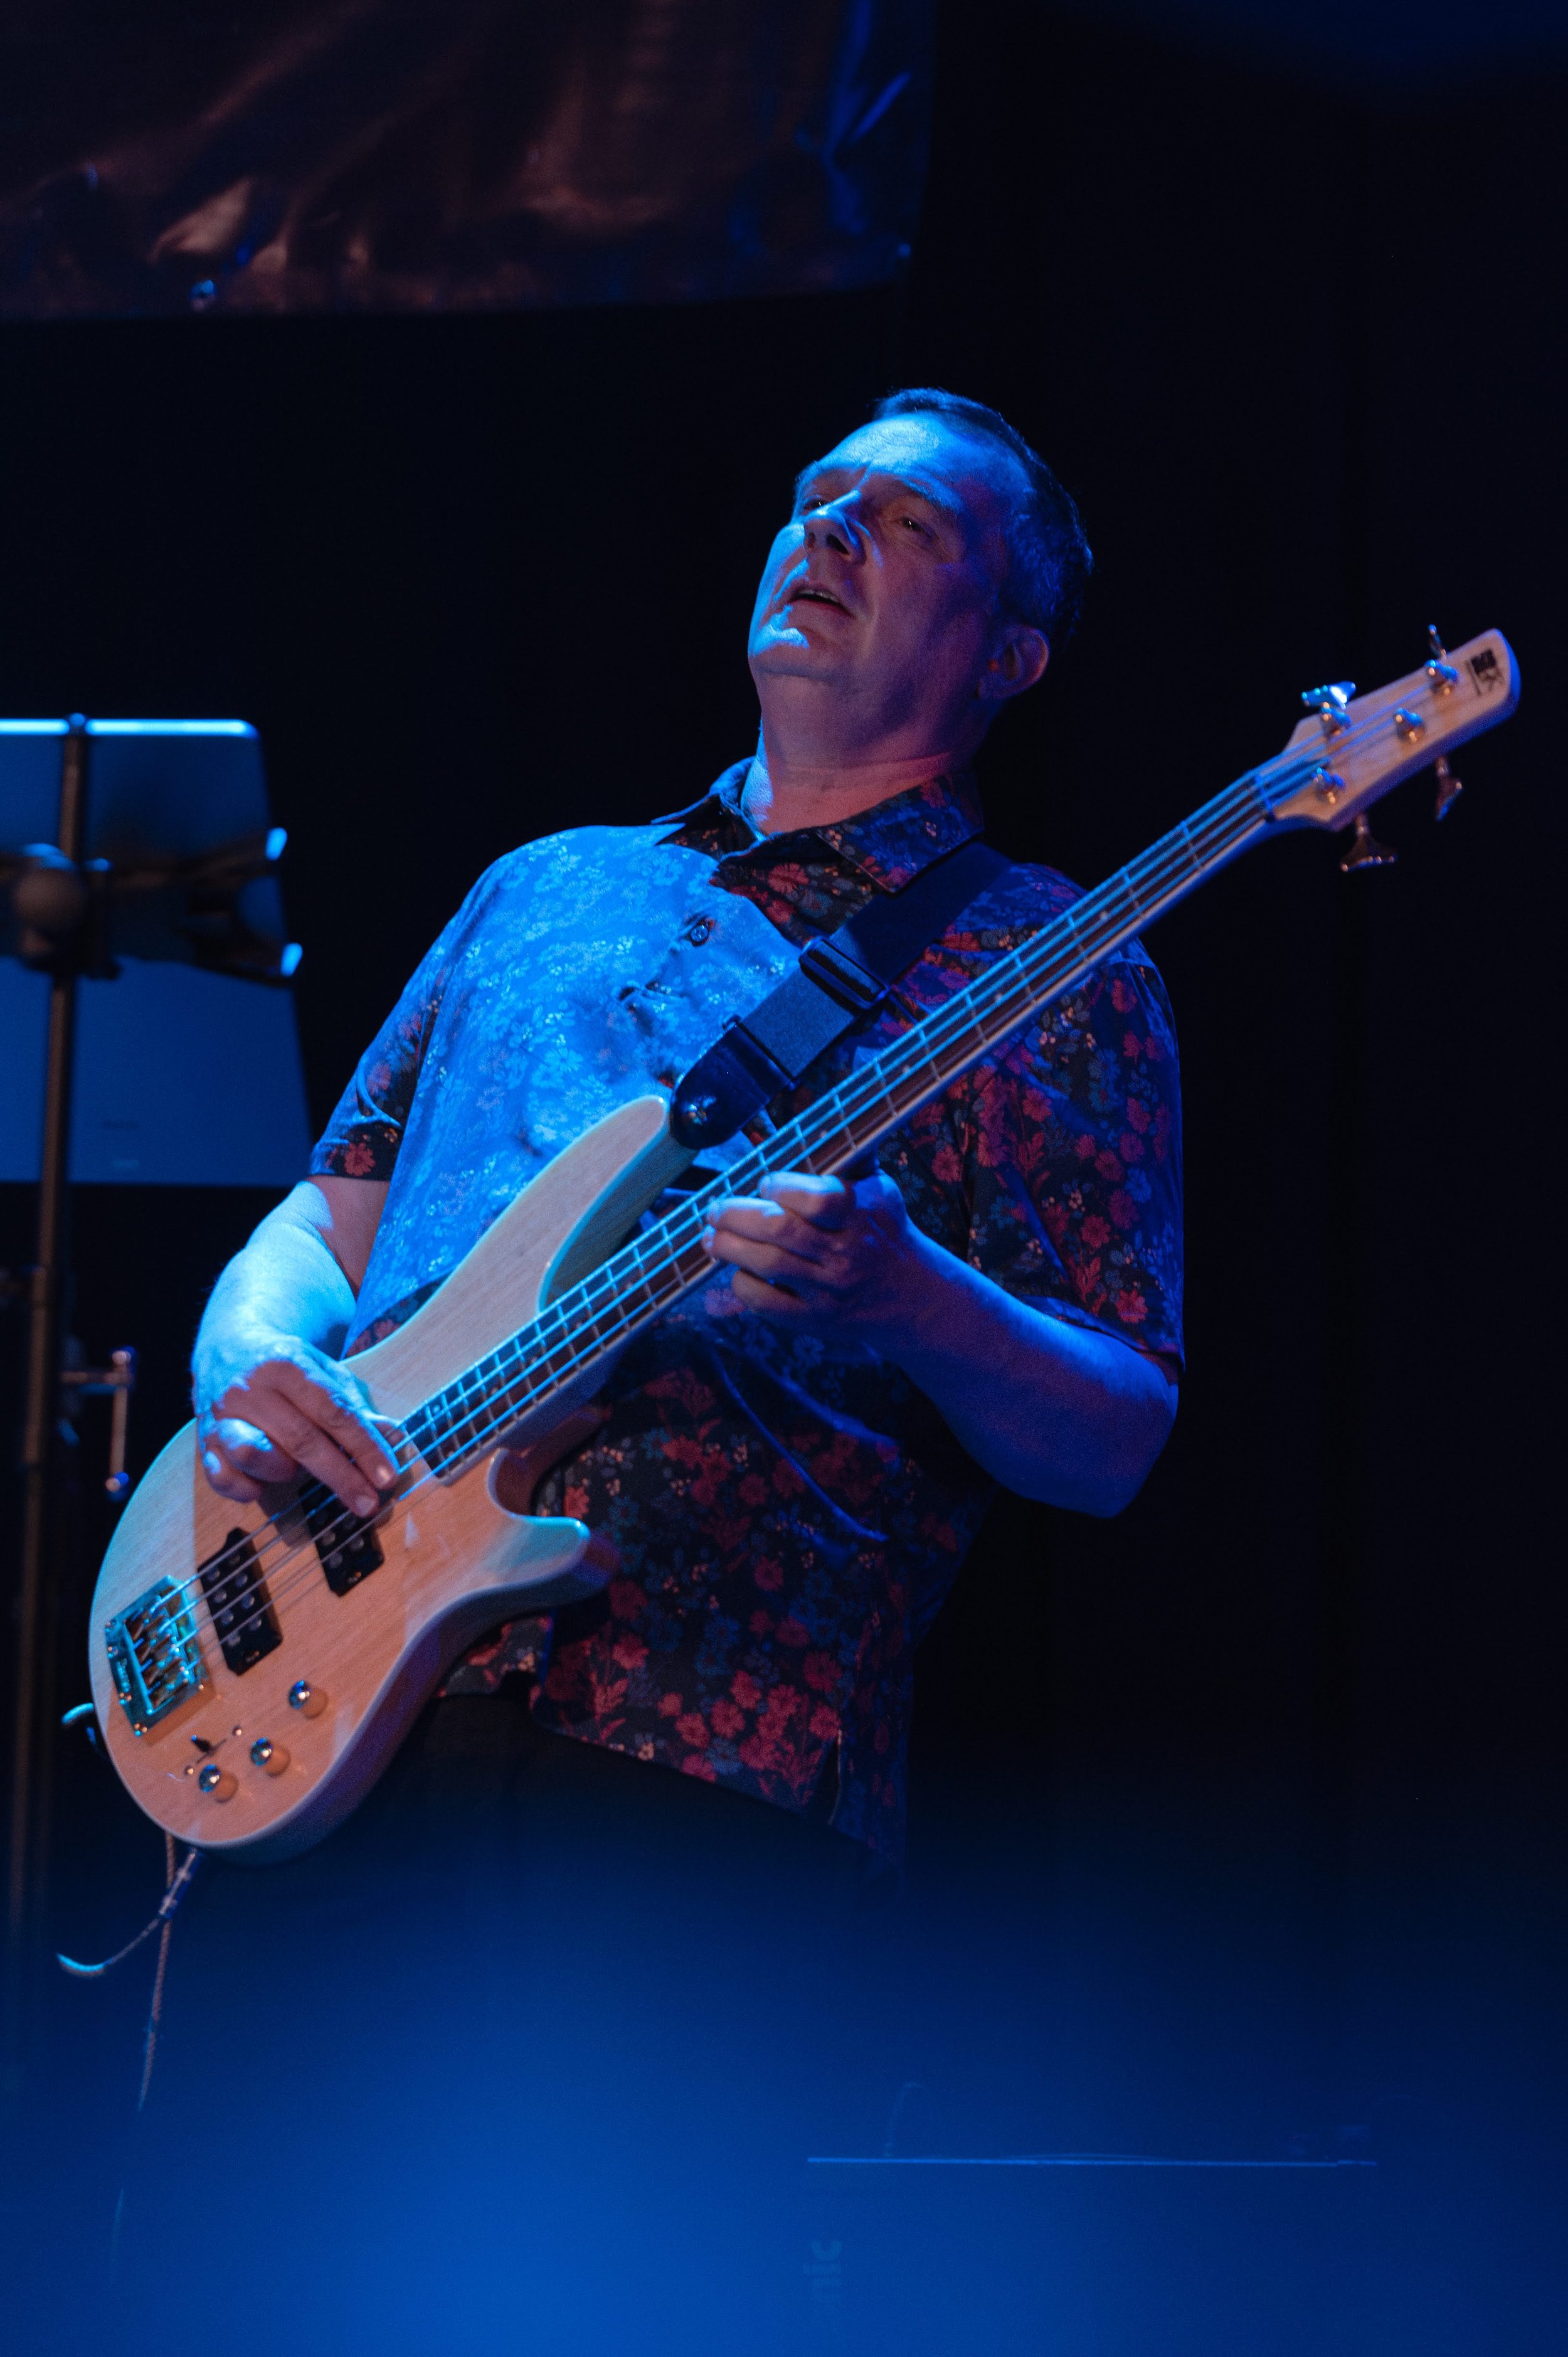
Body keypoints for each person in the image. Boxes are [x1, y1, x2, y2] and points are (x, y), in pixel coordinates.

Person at [140, 389, 1184, 2351]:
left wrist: (910, 1295)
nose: (831, 532)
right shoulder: (544, 886)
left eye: (907, 525)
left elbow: (1115, 1434)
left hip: (694, 1759)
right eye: (817, 499)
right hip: (326, 1702)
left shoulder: (1055, 969)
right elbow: (325, 1217)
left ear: (1009, 655)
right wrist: (248, 1353)